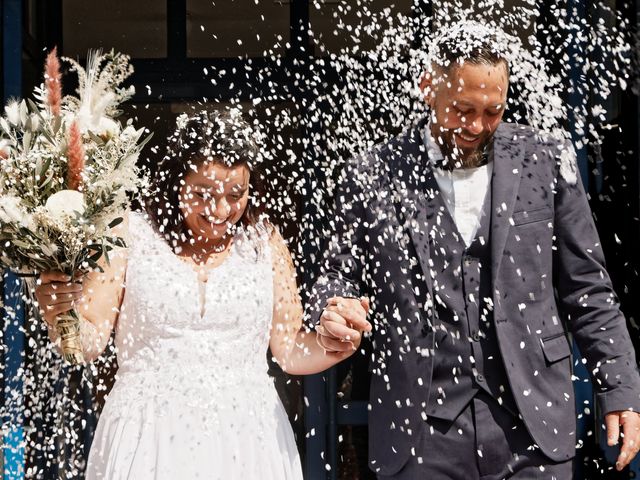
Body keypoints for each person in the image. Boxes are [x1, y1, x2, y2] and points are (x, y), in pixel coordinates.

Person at [311, 23, 640, 479]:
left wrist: (619, 388)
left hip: (533, 428)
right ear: (428, 87)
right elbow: (336, 276)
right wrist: (334, 308)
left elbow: (588, 290)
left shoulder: (545, 160)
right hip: (420, 435)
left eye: (492, 112)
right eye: (462, 109)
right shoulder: (372, 174)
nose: (476, 127)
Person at [35, 110, 365, 479]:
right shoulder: (129, 235)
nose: (221, 210)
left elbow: (289, 350)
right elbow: (87, 343)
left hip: (247, 440)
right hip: (148, 438)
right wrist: (57, 312)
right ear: (177, 182)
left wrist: (332, 343)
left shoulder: (264, 243)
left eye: (235, 194)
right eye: (203, 194)